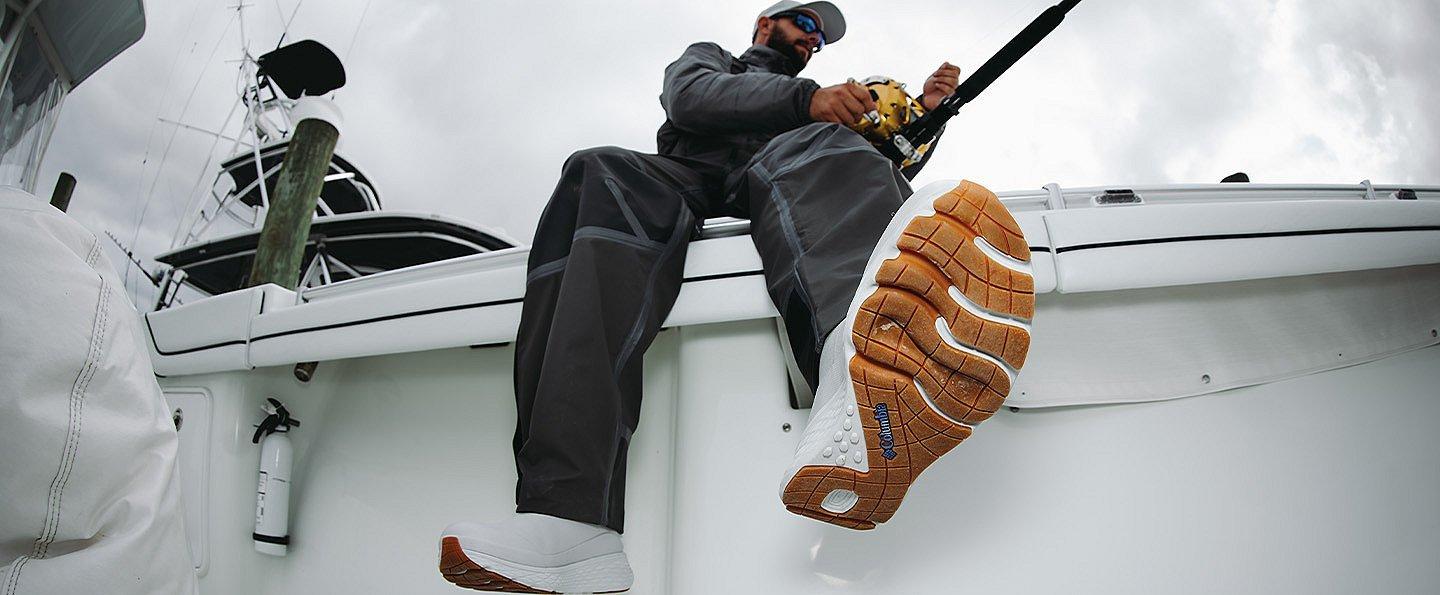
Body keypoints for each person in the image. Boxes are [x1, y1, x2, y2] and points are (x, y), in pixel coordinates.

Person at [439, 1, 1035, 592]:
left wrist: (927, 116)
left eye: (818, 38)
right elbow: (690, 98)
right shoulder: (713, 61)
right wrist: (808, 102)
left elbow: (871, 165)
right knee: (597, 173)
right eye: (803, 24)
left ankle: (861, 381)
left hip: (783, 176)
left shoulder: (817, 125)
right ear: (764, 24)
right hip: (685, 176)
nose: (810, 40)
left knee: (828, 151)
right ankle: (567, 515)